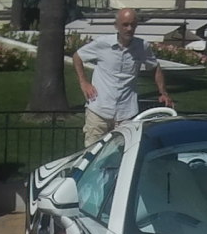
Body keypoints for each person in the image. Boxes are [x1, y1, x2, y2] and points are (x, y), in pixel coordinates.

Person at [73, 8, 173, 146]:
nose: (129, 28)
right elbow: (77, 57)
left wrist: (163, 93)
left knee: (121, 155)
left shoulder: (142, 47)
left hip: (126, 113)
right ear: (116, 26)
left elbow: (155, 67)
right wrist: (83, 82)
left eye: (133, 25)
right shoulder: (102, 44)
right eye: (125, 25)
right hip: (99, 110)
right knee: (92, 154)